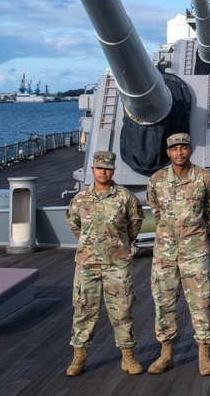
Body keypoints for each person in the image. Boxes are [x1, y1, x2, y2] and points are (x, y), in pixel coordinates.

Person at [65, 150, 145, 377]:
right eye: (99, 168)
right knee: (83, 311)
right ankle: (79, 358)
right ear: (93, 170)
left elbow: (135, 224)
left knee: (122, 311)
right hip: (87, 264)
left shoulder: (125, 197)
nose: (103, 172)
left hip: (117, 264)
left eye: (108, 168)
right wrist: (91, 244)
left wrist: (119, 244)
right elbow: (74, 223)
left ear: (113, 170)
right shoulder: (80, 198)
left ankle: (128, 357)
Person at [146, 133, 210, 376]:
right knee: (163, 304)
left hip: (194, 251)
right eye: (174, 149)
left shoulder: (205, 179)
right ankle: (166, 354)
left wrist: (195, 235)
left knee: (201, 303)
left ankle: (204, 355)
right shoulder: (156, 180)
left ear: (190, 150)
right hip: (164, 253)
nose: (179, 153)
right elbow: (156, 212)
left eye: (184, 148)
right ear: (168, 152)